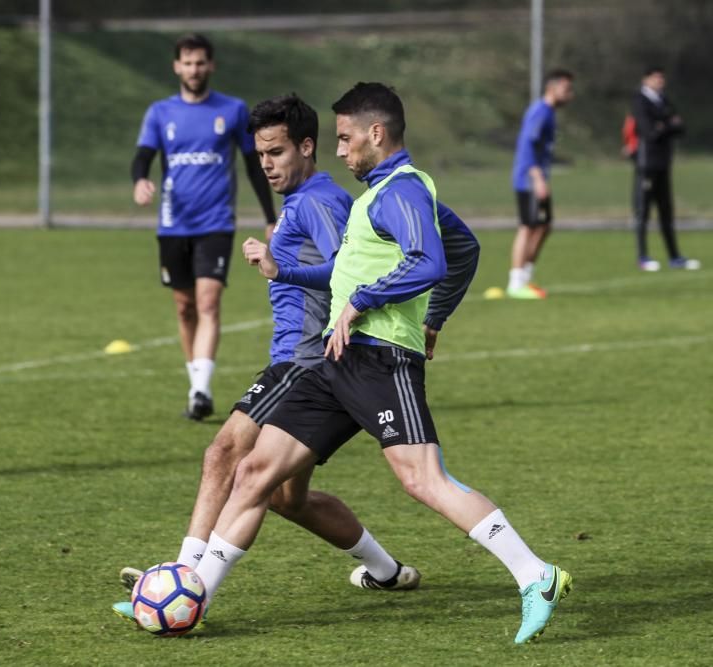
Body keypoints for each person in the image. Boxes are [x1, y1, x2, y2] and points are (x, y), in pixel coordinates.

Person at [192, 83, 572, 645]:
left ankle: (536, 575)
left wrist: (376, 306)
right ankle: (188, 598)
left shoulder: (403, 190)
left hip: (380, 358)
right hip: (335, 358)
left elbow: (432, 259)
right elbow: (455, 249)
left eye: (345, 139)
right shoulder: (377, 195)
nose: (339, 151)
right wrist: (286, 271)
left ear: (376, 133)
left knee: (422, 479)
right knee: (255, 474)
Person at [113, 94, 481, 622]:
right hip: (303, 357)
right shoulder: (303, 202)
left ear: (306, 148)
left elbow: (342, 270)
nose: (265, 164)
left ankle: (181, 583)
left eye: (276, 151)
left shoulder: (317, 201)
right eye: (260, 154)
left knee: (224, 453)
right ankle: (385, 571)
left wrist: (281, 269)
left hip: (305, 359)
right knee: (288, 498)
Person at [132, 33, 276, 420]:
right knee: (184, 308)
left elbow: (252, 166)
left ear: (210, 66)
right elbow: (143, 156)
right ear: (177, 66)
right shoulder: (160, 113)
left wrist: (269, 216)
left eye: (200, 62)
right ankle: (195, 381)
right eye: (187, 62)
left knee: (209, 301)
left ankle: (200, 390)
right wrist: (141, 180)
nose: (194, 69)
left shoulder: (232, 110)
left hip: (216, 223)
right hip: (172, 225)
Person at [506, 69, 574, 299]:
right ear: (551, 88)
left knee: (544, 226)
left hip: (536, 178)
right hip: (529, 180)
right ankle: (515, 283)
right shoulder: (540, 112)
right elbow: (527, 146)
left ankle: (525, 278)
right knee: (528, 226)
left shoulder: (549, 113)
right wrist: (538, 179)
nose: (569, 94)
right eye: (566, 89)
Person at [630, 66, 700, 272]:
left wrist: (664, 126)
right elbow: (649, 132)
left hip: (663, 163)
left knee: (666, 212)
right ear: (646, 80)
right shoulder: (640, 101)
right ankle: (643, 257)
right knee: (643, 211)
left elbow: (680, 127)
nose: (660, 81)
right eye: (656, 78)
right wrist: (667, 125)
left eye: (662, 78)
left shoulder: (663, 100)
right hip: (646, 164)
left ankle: (675, 257)